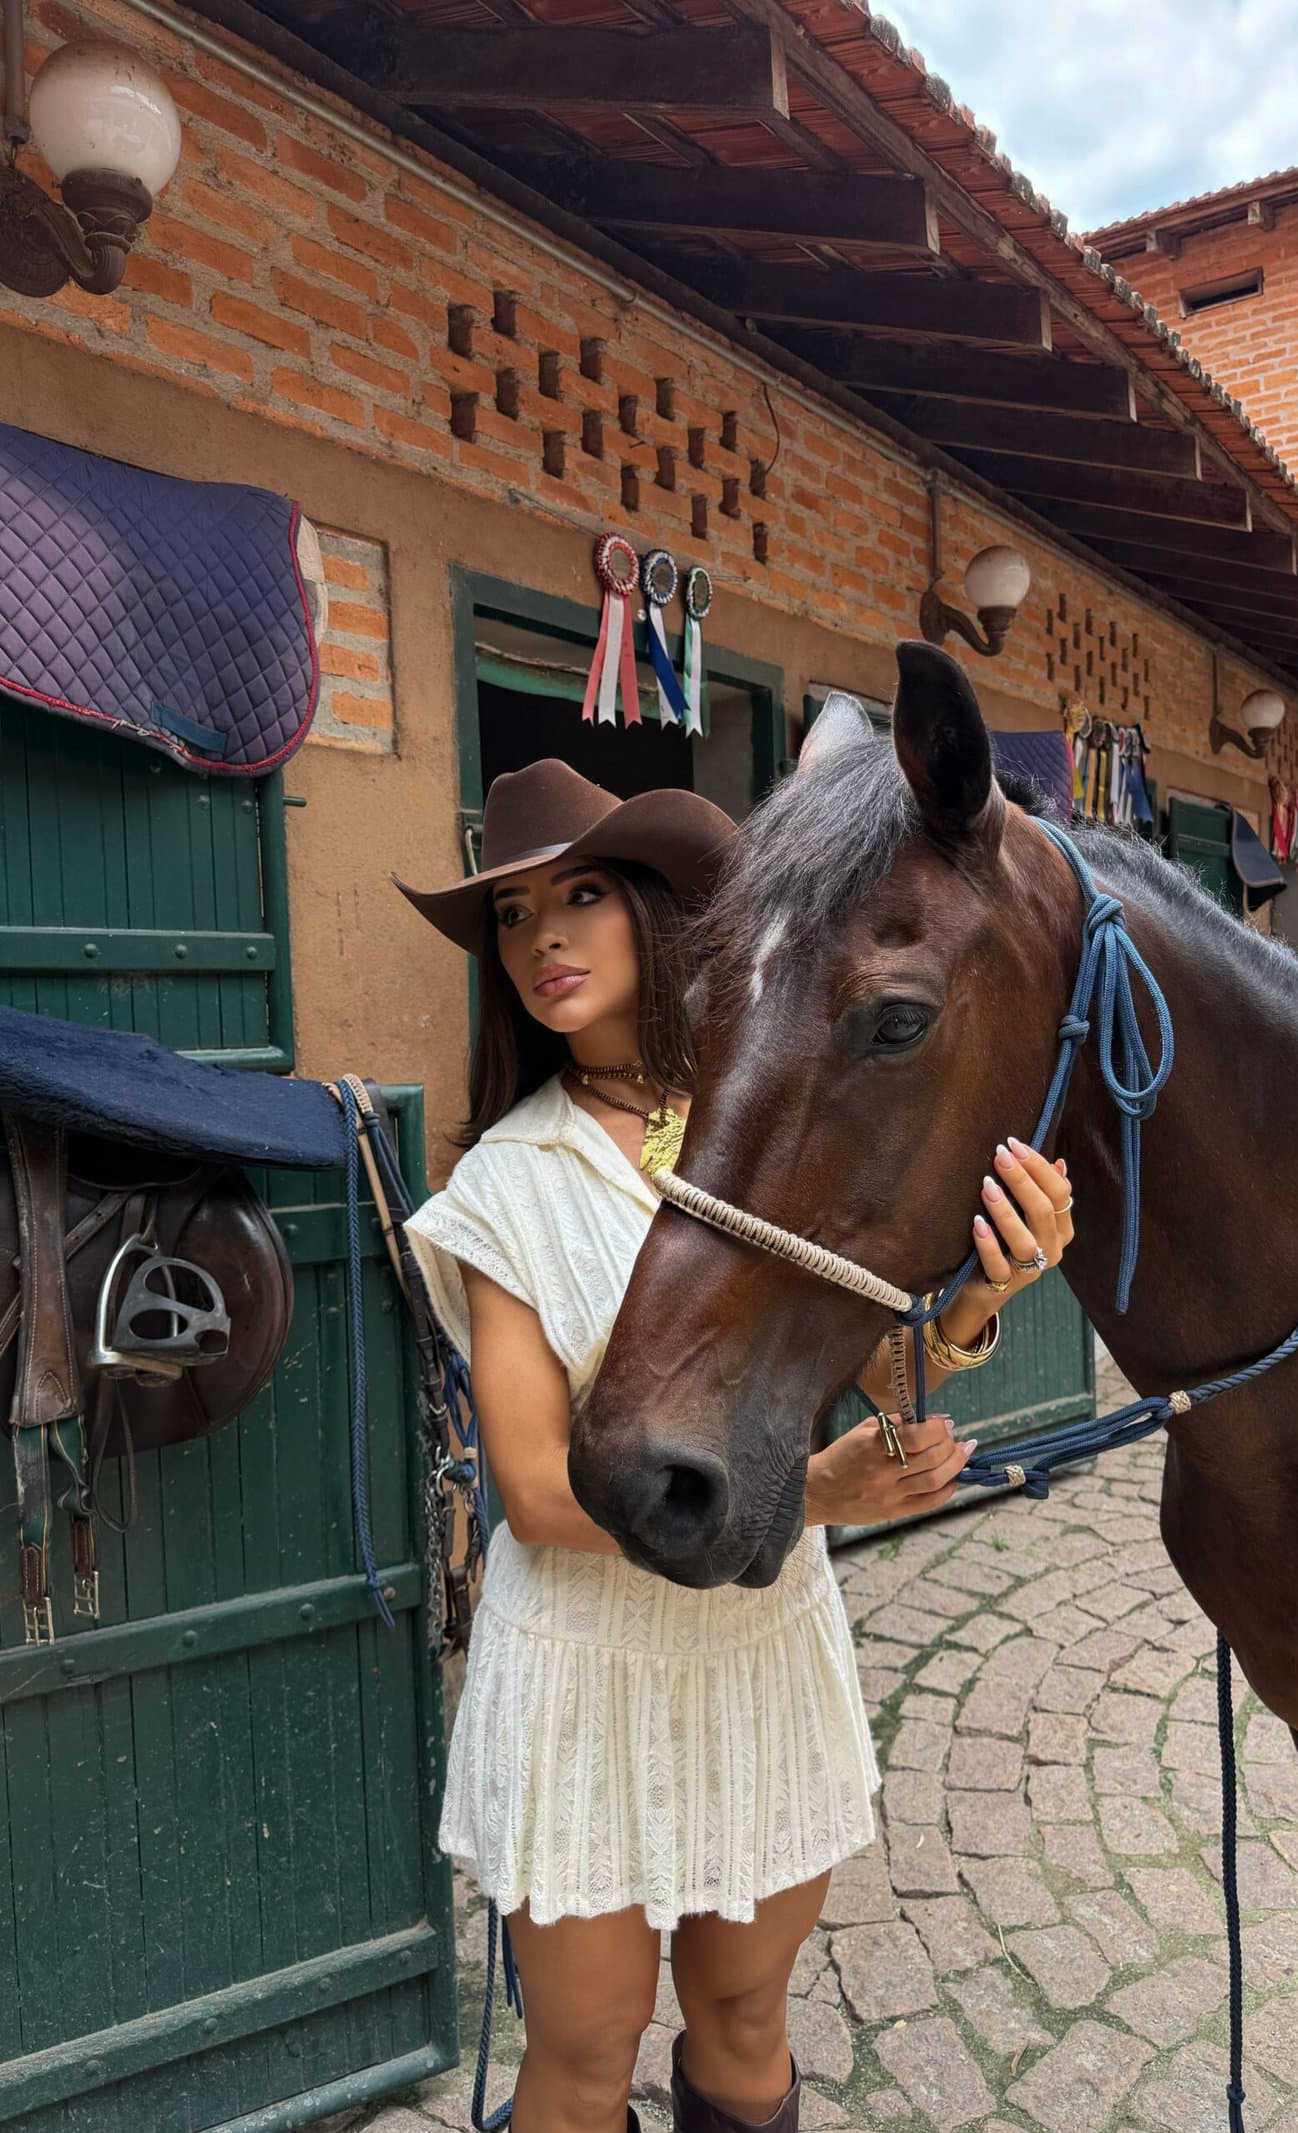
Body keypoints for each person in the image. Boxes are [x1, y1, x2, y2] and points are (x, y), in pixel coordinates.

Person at [399, 759, 1075, 2133]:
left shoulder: (760, 1116)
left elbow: (861, 1363)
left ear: (657, 911)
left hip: (756, 1650)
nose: (541, 938)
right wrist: (817, 1489)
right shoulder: (505, 1185)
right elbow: (531, 1489)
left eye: (579, 895)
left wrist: (985, 1296)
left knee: (747, 2020)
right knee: (581, 2063)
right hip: (585, 1675)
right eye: (515, 915)